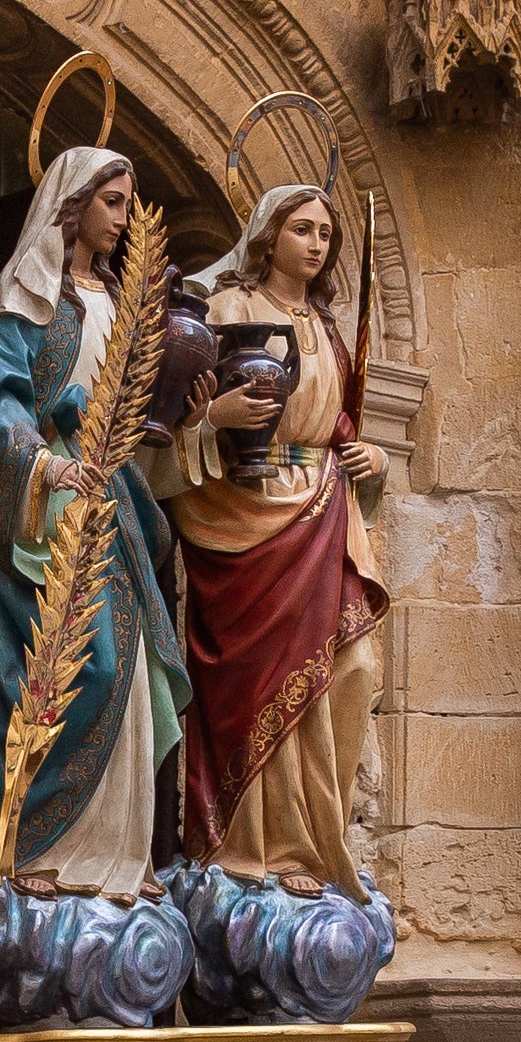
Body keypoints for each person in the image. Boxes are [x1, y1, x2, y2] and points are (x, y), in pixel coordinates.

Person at [0, 142, 186, 898]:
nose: (124, 218)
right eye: (112, 202)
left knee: (132, 670)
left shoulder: (121, 304)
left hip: (111, 502)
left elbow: (137, 416)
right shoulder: (26, 303)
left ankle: (119, 857)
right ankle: (37, 849)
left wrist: (188, 410)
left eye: (127, 204)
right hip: (45, 516)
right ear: (72, 204)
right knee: (72, 669)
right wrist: (46, 464)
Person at [160, 179, 389, 898]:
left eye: (325, 233)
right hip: (242, 512)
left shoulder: (326, 327)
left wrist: (373, 463)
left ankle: (317, 847)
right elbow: (181, 421)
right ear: (268, 235)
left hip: (323, 513)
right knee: (255, 685)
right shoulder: (230, 308)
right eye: (303, 230)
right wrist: (215, 419)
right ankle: (251, 849)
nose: (316, 245)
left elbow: (343, 427)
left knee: (353, 670)